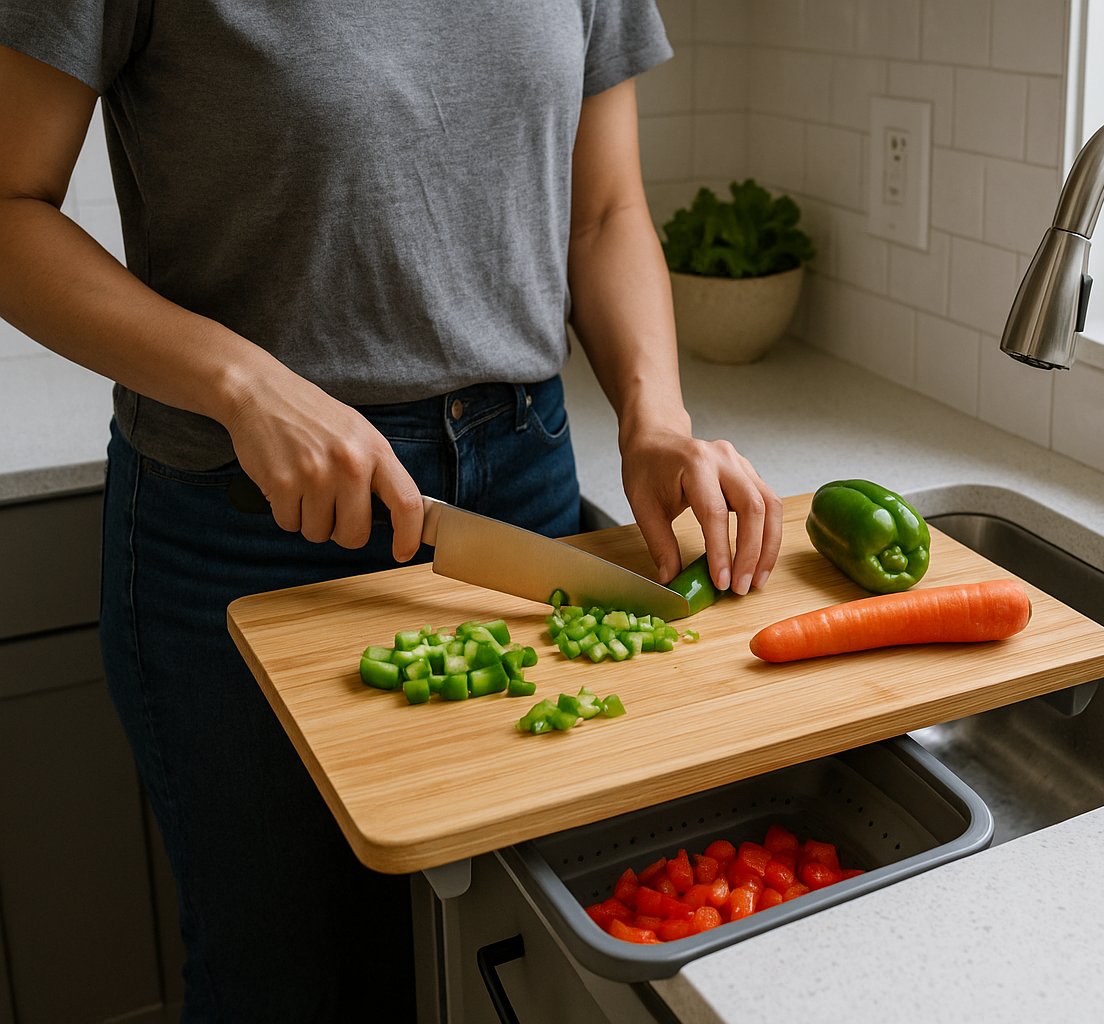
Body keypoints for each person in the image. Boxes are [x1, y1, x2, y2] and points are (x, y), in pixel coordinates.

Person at [0, 2, 782, 1019]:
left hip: (523, 500)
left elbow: (603, 212)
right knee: (282, 987)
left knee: (493, 952)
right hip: (245, 524)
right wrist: (243, 382)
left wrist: (656, 413)